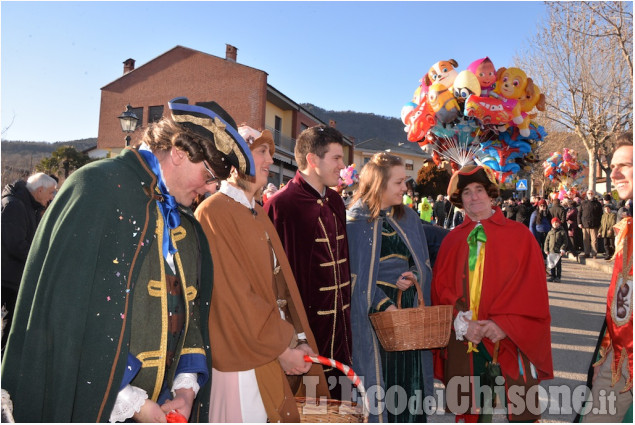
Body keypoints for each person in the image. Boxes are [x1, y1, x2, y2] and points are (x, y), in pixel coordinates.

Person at [0, 98, 256, 422]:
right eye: (207, 175)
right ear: (178, 152)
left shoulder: (185, 227)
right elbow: (68, 319)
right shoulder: (96, 189)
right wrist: (131, 402)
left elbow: (187, 316)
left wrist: (186, 387)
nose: (209, 189)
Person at [196, 125, 329, 422]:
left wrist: (295, 340)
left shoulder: (255, 212)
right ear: (236, 160)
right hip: (242, 362)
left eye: (269, 152)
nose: (270, 160)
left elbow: (280, 290)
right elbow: (234, 297)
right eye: (261, 152)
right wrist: (283, 348)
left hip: (268, 349)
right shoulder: (213, 212)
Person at [432, 165, 553, 422]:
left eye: (479, 190)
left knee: (521, 410)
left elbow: (532, 290)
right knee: (470, 411)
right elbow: (440, 291)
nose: (474, 197)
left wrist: (505, 325)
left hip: (511, 339)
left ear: (490, 194)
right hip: (466, 340)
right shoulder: (451, 240)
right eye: (466, 192)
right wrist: (462, 323)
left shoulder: (520, 235)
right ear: (459, 199)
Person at [264, 125, 352, 399]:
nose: (342, 165)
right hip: (305, 336)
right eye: (336, 158)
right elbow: (272, 279)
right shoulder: (282, 205)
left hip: (341, 336)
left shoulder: (336, 200)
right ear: (313, 160)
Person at [346, 152, 433, 422]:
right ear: (379, 183)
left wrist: (414, 275)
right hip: (376, 320)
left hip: (407, 317)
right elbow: (355, 277)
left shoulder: (406, 216)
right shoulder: (357, 220)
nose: (405, 188)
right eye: (398, 183)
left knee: (410, 384)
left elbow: (422, 258)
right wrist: (385, 302)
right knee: (383, 386)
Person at [580, 132, 633, 422]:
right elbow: (621, 305)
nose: (613, 173)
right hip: (620, 360)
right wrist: (606, 354)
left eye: (625, 165)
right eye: (612, 166)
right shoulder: (629, 230)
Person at [1, 172, 57, 349]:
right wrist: (40, 260)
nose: (52, 197)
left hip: (13, 276)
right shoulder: (14, 205)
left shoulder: (28, 205)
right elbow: (16, 244)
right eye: (51, 192)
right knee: (11, 323)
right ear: (39, 190)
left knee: (13, 323)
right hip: (7, 277)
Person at [578, 189, 603, 258]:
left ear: (594, 194)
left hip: (594, 224)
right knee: (585, 240)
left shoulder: (597, 204)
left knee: (594, 240)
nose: (590, 194)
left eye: (591, 193)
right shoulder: (583, 203)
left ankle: (594, 254)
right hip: (585, 224)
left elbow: (601, 214)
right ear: (587, 194)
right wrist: (579, 222)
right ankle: (587, 253)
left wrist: (600, 225)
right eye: (589, 193)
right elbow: (579, 213)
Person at [544, 217, 567, 282]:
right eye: (554, 223)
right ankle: (552, 276)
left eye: (557, 223)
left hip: (558, 252)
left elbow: (565, 242)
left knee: (558, 265)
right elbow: (546, 241)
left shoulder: (562, 232)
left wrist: (562, 249)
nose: (555, 224)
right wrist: (546, 249)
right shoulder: (550, 232)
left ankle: (558, 277)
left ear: (559, 223)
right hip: (551, 251)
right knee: (552, 265)